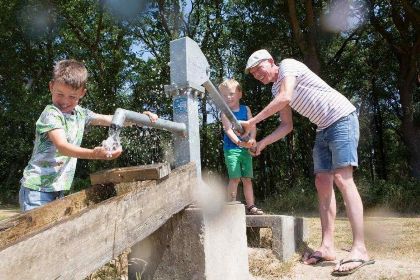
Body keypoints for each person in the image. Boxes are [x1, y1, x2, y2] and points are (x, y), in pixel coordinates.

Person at [241, 50, 374, 275]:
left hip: (341, 118)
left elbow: (286, 98)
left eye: (258, 69)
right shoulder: (275, 88)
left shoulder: (287, 66)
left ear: (271, 61)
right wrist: (262, 143)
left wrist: (252, 121)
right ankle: (328, 247)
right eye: (252, 74)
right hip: (322, 128)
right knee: (323, 182)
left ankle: (360, 249)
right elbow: (287, 125)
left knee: (343, 178)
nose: (256, 75)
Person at [19, 59, 158, 212]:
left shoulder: (81, 113)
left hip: (58, 188)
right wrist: (94, 154)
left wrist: (139, 118)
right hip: (36, 189)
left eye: (72, 97)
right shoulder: (51, 113)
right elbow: (62, 147)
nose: (65, 101)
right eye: (60, 94)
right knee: (40, 235)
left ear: (82, 93)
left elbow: (110, 119)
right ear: (51, 87)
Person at [219, 79, 263, 215]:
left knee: (247, 179)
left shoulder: (246, 109)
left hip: (245, 151)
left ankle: (251, 206)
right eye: (225, 95)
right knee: (235, 178)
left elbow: (252, 126)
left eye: (231, 94)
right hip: (232, 150)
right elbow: (228, 130)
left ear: (240, 94)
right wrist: (239, 143)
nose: (228, 97)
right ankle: (230, 205)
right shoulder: (224, 113)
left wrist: (252, 139)